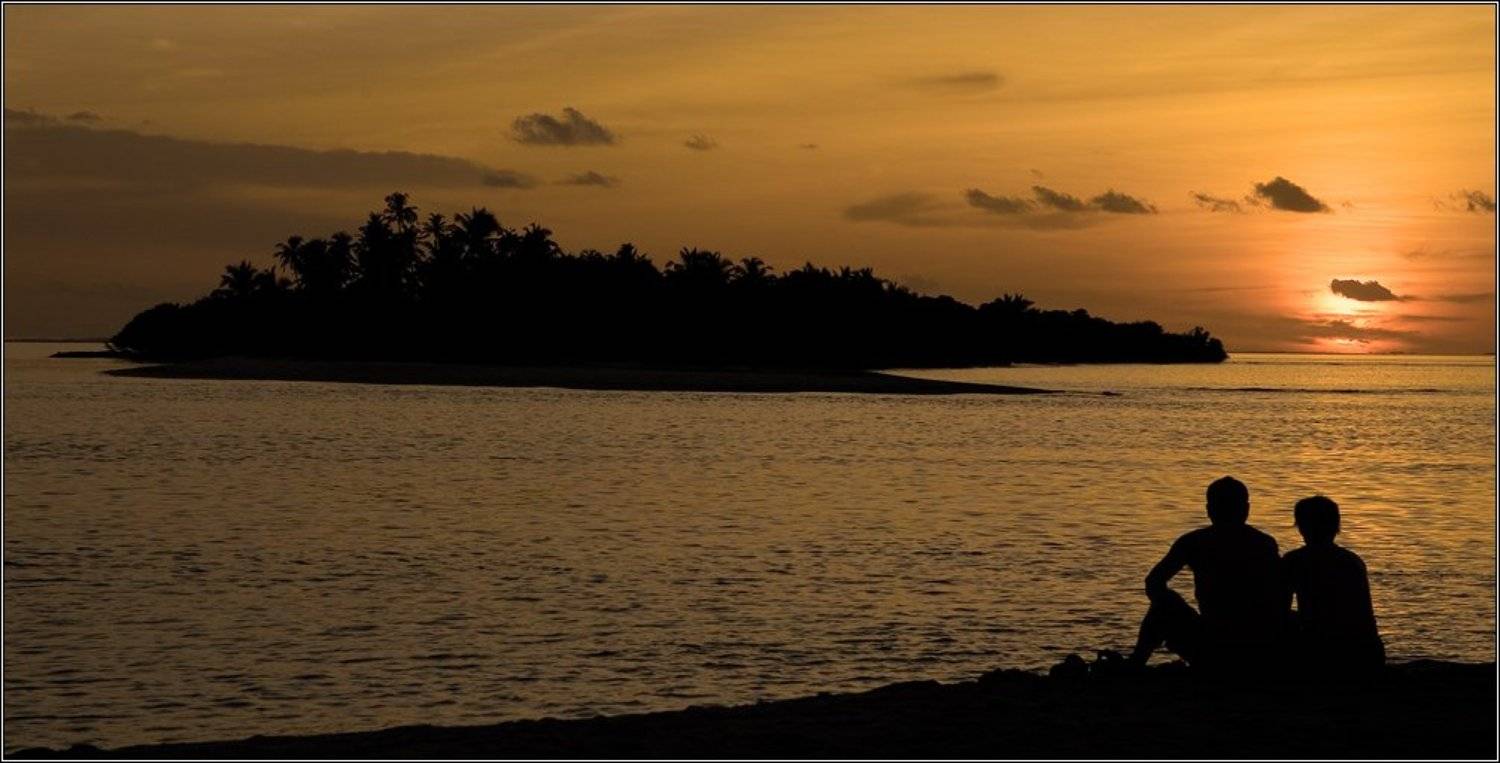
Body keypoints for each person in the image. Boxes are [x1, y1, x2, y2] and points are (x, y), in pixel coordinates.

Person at [1129, 476, 1285, 672]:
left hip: (1213, 643)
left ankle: (1136, 664)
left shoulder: (1193, 542)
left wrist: (1170, 606)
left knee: (1163, 606)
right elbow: (1280, 594)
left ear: (1209, 510)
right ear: (1246, 509)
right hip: (1255, 643)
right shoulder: (1263, 543)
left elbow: (1154, 582)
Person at [1281, 495, 1385, 674]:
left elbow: (1279, 607)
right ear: (1336, 527)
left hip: (1324, 649)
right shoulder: (1352, 561)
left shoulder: (1295, 561)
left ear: (1301, 527)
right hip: (1366, 651)